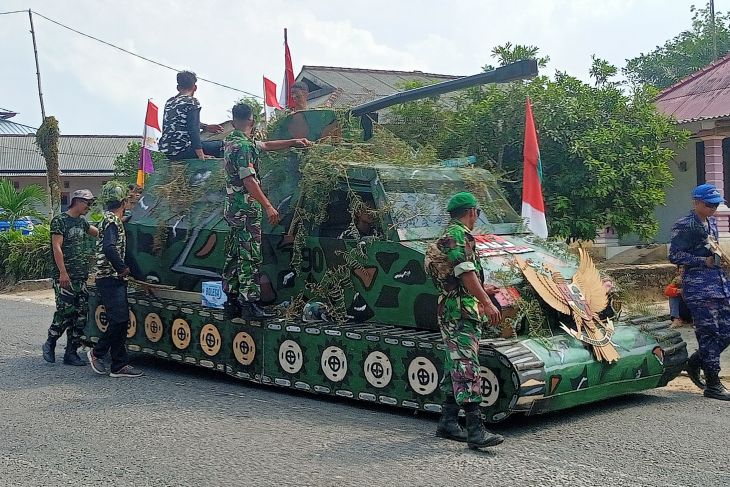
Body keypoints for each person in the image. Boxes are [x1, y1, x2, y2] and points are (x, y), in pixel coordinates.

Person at [425, 191, 504, 449]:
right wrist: (486, 301)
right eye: (477, 213)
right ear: (471, 212)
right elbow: (465, 273)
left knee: (455, 364)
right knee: (467, 365)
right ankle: (475, 430)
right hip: (460, 310)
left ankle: (448, 422)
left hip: (454, 306)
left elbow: (461, 278)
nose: (477, 218)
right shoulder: (459, 235)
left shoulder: (451, 235)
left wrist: (482, 289)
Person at [222, 103, 312, 320]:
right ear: (252, 122)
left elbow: (265, 145)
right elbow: (249, 180)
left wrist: (293, 142)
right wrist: (268, 206)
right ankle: (249, 302)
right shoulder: (243, 147)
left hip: (233, 207)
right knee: (249, 255)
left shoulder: (232, 141)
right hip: (246, 208)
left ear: (234, 121)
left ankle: (232, 300)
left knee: (234, 252)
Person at [669, 183, 730, 400]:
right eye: (709, 204)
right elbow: (674, 256)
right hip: (699, 288)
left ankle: (696, 361)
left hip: (720, 285)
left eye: (716, 205)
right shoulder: (685, 225)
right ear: (696, 203)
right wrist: (702, 261)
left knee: (726, 331)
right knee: (709, 334)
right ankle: (713, 384)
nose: (713, 209)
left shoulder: (711, 222)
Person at [87, 181, 143, 378]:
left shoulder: (113, 220)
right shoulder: (112, 221)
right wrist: (122, 268)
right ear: (123, 201)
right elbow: (109, 247)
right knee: (119, 319)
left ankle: (119, 365)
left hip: (112, 278)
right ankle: (97, 352)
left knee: (121, 320)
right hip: (109, 278)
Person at [42, 189, 99, 366]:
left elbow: (98, 232)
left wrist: (120, 222)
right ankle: (50, 342)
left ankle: (71, 352)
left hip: (80, 276)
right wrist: (63, 273)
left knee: (80, 314)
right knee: (65, 313)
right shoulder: (60, 221)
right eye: (88, 204)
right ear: (78, 202)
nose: (89, 208)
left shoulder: (81, 222)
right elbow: (56, 247)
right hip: (65, 277)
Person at [159, 70, 224, 160]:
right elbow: (193, 129)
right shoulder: (192, 102)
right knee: (221, 145)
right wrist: (201, 155)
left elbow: (181, 121)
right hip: (182, 150)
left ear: (178, 87)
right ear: (195, 87)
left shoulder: (170, 102)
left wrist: (205, 127)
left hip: (167, 150)